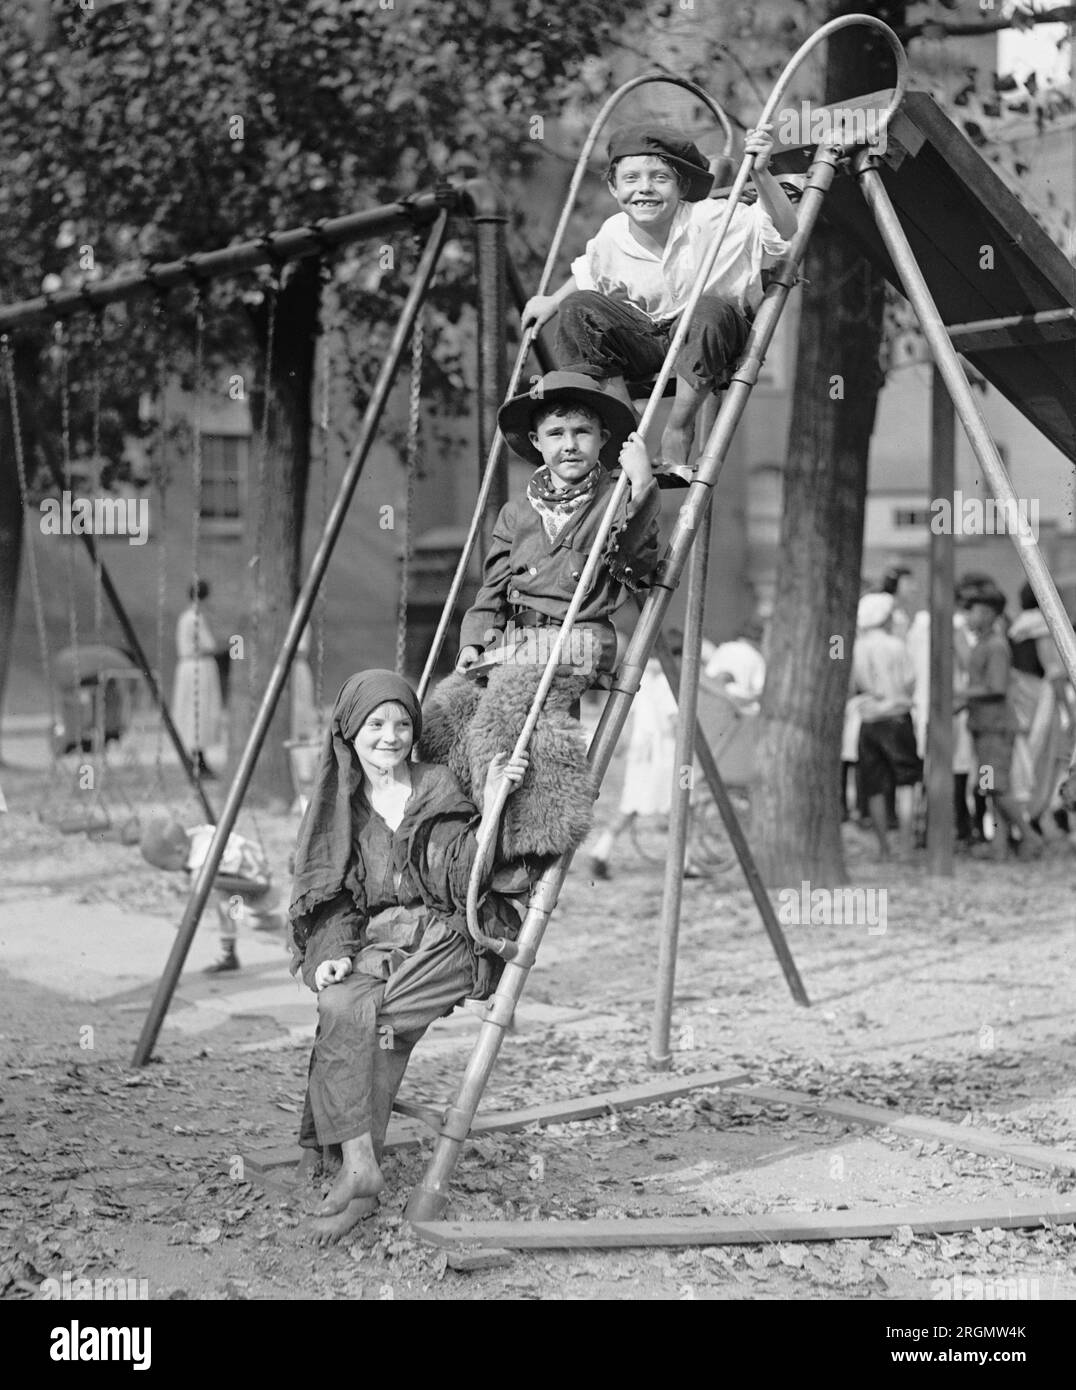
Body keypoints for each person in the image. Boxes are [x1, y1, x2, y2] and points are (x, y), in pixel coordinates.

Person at [288, 670, 528, 1245]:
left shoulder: (437, 784)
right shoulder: (342, 806)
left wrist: (492, 806)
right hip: (378, 943)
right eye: (375, 725)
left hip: (449, 936)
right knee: (341, 1001)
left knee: (374, 1027)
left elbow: (464, 874)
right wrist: (332, 954)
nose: (390, 737)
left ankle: (352, 1171)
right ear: (351, 733)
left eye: (401, 724)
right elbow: (334, 896)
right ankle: (359, 1165)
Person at [521, 123, 797, 472]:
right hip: (653, 338)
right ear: (613, 186)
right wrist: (552, 301)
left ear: (682, 186)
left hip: (712, 336)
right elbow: (587, 273)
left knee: (706, 309)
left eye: (659, 178)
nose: (644, 189)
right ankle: (624, 434)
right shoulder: (613, 234)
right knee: (577, 307)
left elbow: (785, 229)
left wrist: (760, 173)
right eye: (631, 178)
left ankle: (678, 430)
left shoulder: (713, 218)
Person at [455, 371, 661, 682]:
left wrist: (642, 483)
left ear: (602, 438)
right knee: (456, 696)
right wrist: (473, 642)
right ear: (536, 441)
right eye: (555, 434)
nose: (570, 445)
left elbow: (637, 564)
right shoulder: (516, 514)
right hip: (522, 643)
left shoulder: (615, 504)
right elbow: (493, 591)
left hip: (583, 640)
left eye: (582, 432)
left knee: (516, 680)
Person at [587, 632, 682, 880]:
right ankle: (686, 859)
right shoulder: (666, 681)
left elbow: (630, 715)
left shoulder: (645, 678)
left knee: (632, 803)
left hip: (642, 750)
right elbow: (673, 720)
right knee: (683, 803)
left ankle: (602, 848)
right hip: (664, 753)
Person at [958, 585, 1043, 860]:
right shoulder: (983, 644)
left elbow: (996, 686)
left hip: (995, 728)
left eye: (972, 611)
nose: (968, 616)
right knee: (991, 788)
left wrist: (959, 695)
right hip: (983, 727)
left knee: (996, 786)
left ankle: (1029, 836)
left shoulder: (995, 646)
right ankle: (1000, 846)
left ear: (987, 613)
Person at [140, 815, 278, 973]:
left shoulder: (202, 860)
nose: (165, 871)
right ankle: (229, 955)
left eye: (165, 866)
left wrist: (187, 910)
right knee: (228, 912)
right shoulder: (191, 841)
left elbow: (200, 895)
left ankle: (287, 924)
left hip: (252, 883)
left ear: (179, 850)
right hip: (236, 883)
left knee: (246, 918)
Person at [851, 592, 921, 859]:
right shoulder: (896, 645)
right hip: (896, 716)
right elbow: (909, 681)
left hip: (868, 719)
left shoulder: (857, 646)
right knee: (906, 781)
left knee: (874, 784)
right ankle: (905, 844)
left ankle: (883, 847)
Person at [1008, 581, 1072, 841]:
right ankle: (1031, 817)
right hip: (1041, 702)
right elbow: (1054, 672)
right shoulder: (1043, 626)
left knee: (1026, 759)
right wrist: (1070, 709)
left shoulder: (1017, 626)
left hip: (1022, 700)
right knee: (1045, 760)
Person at [172, 580, 223, 779]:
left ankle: (199, 756)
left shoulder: (192, 616)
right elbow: (209, 644)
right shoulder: (194, 617)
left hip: (194, 666)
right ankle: (196, 759)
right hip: (197, 667)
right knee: (197, 711)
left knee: (200, 712)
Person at [704, 617, 766, 714]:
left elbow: (709, 675)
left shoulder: (724, 647)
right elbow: (758, 691)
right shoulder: (757, 658)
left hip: (713, 696)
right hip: (736, 704)